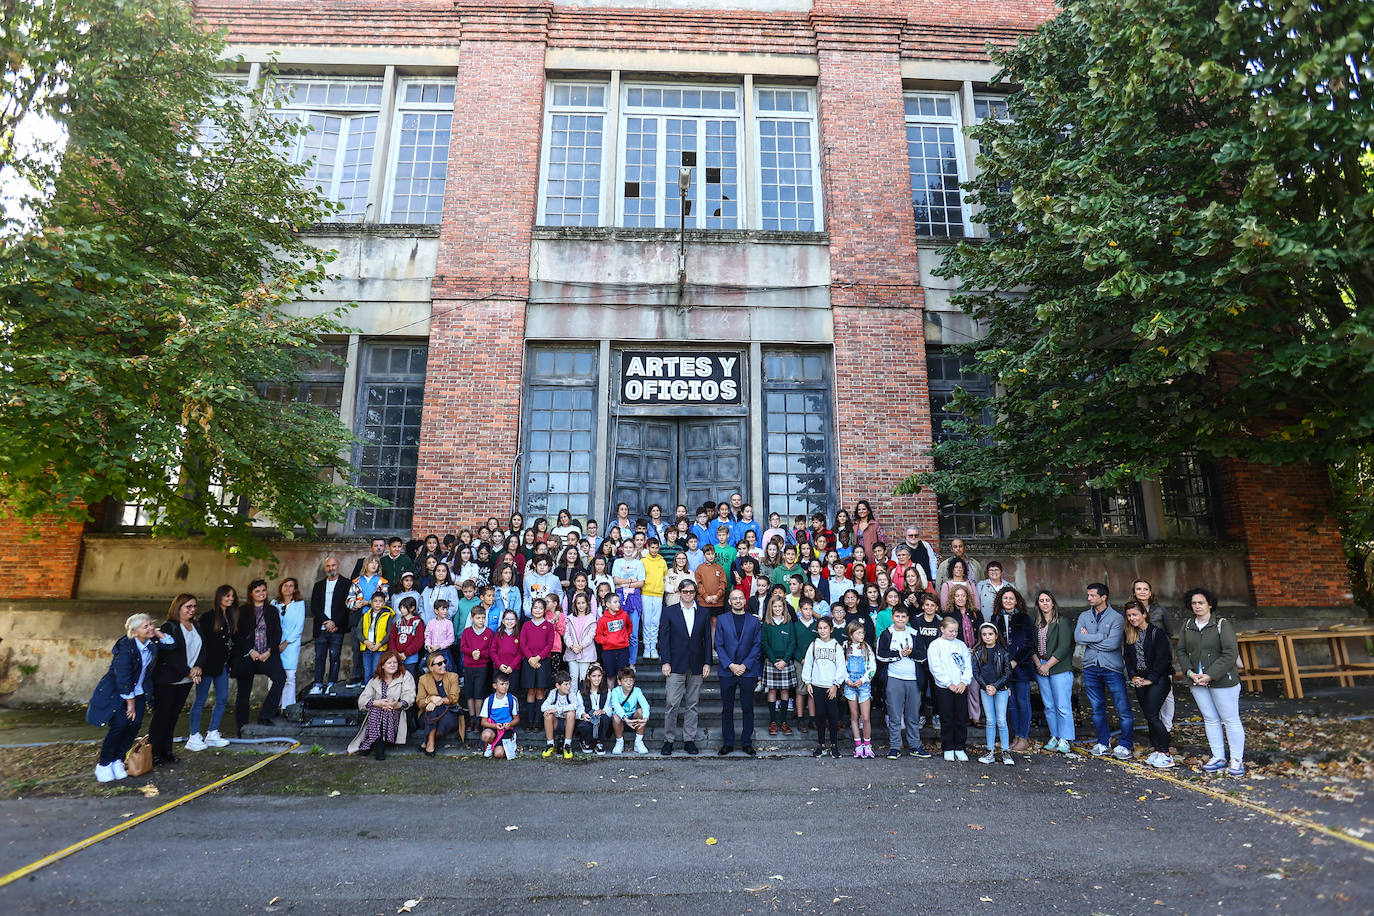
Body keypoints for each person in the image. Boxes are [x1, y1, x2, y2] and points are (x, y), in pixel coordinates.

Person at [87, 613, 175, 782]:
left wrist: (157, 633)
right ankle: (104, 764)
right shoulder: (126, 647)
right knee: (119, 725)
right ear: (134, 633)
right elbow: (123, 677)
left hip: (140, 692)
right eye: (145, 627)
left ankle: (118, 760)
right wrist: (131, 704)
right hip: (118, 693)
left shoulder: (151, 642)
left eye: (150, 624)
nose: (150, 628)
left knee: (134, 726)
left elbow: (171, 645)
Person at [1177, 587, 1245, 777]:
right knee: (1210, 719)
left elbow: (1230, 653)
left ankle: (1237, 760)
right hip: (1196, 680)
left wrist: (1211, 675)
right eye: (1193, 603)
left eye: (1200, 602)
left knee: (1230, 719)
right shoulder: (1188, 624)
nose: (1197, 606)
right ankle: (1218, 757)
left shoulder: (1222, 624)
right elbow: (1181, 651)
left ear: (1210, 604)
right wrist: (1190, 673)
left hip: (1222, 680)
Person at [1075, 582, 1134, 759]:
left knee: (1122, 707)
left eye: (1092, 595)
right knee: (1097, 708)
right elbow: (1078, 637)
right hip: (1091, 667)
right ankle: (1103, 742)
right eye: (1088, 595)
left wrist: (1089, 638)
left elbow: (1113, 644)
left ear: (1103, 597)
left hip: (1112, 668)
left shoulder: (1116, 618)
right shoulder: (1084, 615)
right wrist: (1101, 636)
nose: (1089, 598)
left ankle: (1125, 744)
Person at [657, 578, 711, 756]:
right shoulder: (669, 611)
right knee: (672, 703)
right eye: (685, 591)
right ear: (679, 592)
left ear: (695, 593)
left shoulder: (703, 612)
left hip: (696, 663)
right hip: (675, 664)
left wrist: (707, 662)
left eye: (691, 592)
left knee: (692, 704)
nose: (688, 595)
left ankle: (689, 739)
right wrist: (665, 661)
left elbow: (707, 640)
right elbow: (663, 639)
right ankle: (668, 740)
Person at [149, 594, 201, 767]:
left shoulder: (196, 626)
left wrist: (198, 667)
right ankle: (154, 753)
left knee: (173, 716)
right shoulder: (169, 627)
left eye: (194, 606)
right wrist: (188, 671)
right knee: (161, 717)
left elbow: (204, 649)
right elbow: (171, 655)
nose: (192, 610)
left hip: (186, 680)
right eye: (188, 606)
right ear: (178, 608)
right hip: (168, 679)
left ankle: (167, 751)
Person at [1123, 599, 1175, 769]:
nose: (1132, 618)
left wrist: (1150, 679)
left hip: (1158, 679)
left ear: (1144, 614)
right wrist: (1133, 677)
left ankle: (1166, 753)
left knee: (1153, 715)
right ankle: (1157, 750)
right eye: (1129, 615)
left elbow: (1163, 660)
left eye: (1135, 614)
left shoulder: (1156, 633)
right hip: (1140, 680)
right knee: (1149, 716)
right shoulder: (1129, 634)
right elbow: (1128, 660)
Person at [232, 579, 287, 732]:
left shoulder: (272, 610)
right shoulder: (242, 611)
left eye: (263, 590)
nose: (261, 593)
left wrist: (269, 651)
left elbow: (277, 633)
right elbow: (238, 635)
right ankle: (241, 726)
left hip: (267, 654)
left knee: (280, 677)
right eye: (257, 591)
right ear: (251, 593)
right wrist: (251, 651)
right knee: (244, 691)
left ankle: (265, 715)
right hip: (248, 656)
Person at [185, 585, 234, 751]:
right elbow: (201, 643)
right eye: (227, 596)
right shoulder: (208, 617)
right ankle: (194, 735)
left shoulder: (231, 616)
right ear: (219, 597)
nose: (230, 599)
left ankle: (212, 733)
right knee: (200, 700)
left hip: (222, 665)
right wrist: (198, 665)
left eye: (232, 596)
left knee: (222, 699)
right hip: (206, 666)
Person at [715, 587, 762, 756]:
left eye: (740, 598)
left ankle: (746, 743)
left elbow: (757, 645)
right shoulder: (722, 619)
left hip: (748, 671)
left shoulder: (754, 621)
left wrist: (744, 665)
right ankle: (728, 743)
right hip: (727, 671)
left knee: (747, 708)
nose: (737, 601)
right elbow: (718, 645)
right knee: (727, 708)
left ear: (745, 600)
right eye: (734, 598)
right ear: (729, 601)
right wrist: (731, 665)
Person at [877, 606, 928, 758]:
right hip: (894, 678)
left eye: (903, 617)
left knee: (913, 716)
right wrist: (899, 654)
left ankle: (915, 746)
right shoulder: (886, 634)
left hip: (913, 679)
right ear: (892, 617)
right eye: (897, 616)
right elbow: (880, 655)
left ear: (907, 619)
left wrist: (911, 653)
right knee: (894, 715)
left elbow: (923, 655)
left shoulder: (913, 633)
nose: (900, 619)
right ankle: (895, 747)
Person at [989, 586, 1035, 751]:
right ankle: (1015, 736)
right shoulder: (995, 618)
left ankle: (1023, 737)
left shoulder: (1024, 618)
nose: (1008, 601)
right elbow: (992, 641)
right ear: (1001, 600)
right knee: (1011, 703)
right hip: (1003, 669)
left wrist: (1015, 660)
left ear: (1016, 601)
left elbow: (1029, 643)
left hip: (1021, 667)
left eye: (1011, 598)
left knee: (1023, 701)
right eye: (1005, 598)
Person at [348, 650, 415, 760]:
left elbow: (410, 696)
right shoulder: (376, 679)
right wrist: (377, 703)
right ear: (382, 665)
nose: (393, 665)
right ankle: (379, 743)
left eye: (395, 662)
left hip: (399, 713)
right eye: (389, 663)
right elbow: (362, 700)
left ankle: (372, 743)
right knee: (377, 707)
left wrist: (398, 704)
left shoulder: (405, 676)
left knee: (386, 708)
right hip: (378, 716)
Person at [1032, 590, 1075, 754]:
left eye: (1047, 600)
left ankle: (1065, 738)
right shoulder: (1036, 623)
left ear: (1053, 602)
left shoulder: (1062, 621)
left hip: (1058, 667)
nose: (1044, 603)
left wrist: (1047, 666)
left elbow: (1064, 647)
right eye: (1041, 600)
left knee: (1062, 705)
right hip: (1041, 665)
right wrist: (1039, 665)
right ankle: (1055, 736)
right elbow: (1032, 646)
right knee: (1049, 705)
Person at [1132, 578, 1177, 730]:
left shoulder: (1160, 610)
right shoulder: (1130, 610)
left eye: (1145, 589)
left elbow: (1169, 632)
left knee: (1167, 693)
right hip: (1141, 659)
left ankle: (1167, 726)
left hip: (1160, 657)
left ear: (1150, 592)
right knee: (1148, 693)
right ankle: (1155, 726)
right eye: (1139, 589)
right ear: (1134, 592)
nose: (1142, 592)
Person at [928, 615, 973, 761]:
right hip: (944, 688)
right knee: (947, 718)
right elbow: (935, 667)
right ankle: (948, 747)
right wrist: (949, 684)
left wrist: (964, 682)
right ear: (942, 629)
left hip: (960, 687)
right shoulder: (935, 645)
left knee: (960, 718)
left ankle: (960, 747)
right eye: (950, 631)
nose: (953, 634)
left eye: (955, 631)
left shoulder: (961, 645)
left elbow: (967, 665)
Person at [801, 616, 844, 758]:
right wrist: (807, 682)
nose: (823, 630)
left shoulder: (836, 646)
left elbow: (841, 667)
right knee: (819, 715)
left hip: (831, 687)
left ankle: (834, 745)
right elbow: (808, 664)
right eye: (820, 628)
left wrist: (836, 684)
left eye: (825, 628)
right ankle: (821, 744)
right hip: (817, 686)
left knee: (832, 716)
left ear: (831, 629)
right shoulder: (814, 644)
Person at [973, 622, 1014, 766]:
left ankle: (1005, 751)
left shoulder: (1003, 652)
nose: (987, 637)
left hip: (1001, 690)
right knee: (990, 721)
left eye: (990, 634)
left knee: (1001, 720)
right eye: (984, 634)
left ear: (996, 636)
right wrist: (986, 686)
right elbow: (976, 673)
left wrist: (996, 687)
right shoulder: (978, 652)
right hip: (986, 690)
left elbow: (1007, 673)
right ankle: (990, 751)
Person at [308, 558, 350, 696]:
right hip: (321, 628)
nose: (331, 568)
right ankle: (318, 685)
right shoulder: (318, 585)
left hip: (336, 629)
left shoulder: (346, 584)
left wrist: (334, 623)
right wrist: (326, 621)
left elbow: (346, 607)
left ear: (338, 565)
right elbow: (314, 606)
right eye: (328, 566)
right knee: (319, 658)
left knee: (335, 657)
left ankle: (332, 684)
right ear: (325, 568)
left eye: (333, 565)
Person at [345, 556, 388, 687]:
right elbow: (349, 600)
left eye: (376, 563)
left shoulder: (382, 581)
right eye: (371, 563)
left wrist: (368, 602)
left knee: (374, 647)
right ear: (365, 565)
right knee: (357, 648)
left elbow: (385, 598)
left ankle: (373, 678)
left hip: (376, 618)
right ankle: (358, 676)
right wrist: (356, 604)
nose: (374, 565)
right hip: (359, 618)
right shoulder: (357, 581)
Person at [761, 595, 798, 736]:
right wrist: (773, 660)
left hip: (785, 662)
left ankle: (783, 721)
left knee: (784, 691)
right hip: (771, 661)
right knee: (772, 691)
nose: (777, 609)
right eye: (775, 606)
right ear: (771, 608)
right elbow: (764, 643)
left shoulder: (789, 623)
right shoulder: (767, 624)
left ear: (784, 608)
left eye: (780, 606)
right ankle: (773, 722)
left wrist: (785, 660)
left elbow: (792, 643)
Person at [416, 652, 463, 756]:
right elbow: (419, 702)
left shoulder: (453, 677)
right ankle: (430, 743)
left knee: (437, 711)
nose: (444, 665)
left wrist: (439, 701)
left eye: (444, 662)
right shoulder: (423, 679)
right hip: (427, 716)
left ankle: (428, 741)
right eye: (439, 663)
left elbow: (454, 698)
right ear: (431, 667)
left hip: (448, 713)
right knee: (432, 711)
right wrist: (430, 700)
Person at [843, 621, 877, 758]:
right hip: (850, 685)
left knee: (866, 717)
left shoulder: (867, 648)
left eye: (862, 632)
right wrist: (847, 679)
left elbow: (872, 667)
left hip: (863, 685)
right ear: (851, 635)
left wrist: (863, 680)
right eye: (858, 633)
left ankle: (867, 745)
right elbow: (841, 666)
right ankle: (858, 745)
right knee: (854, 716)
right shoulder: (845, 648)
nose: (861, 635)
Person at [273, 577, 306, 712]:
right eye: (285, 585)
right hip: (275, 644)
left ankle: (288, 707)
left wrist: (286, 643)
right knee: (274, 676)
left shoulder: (299, 604)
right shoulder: (274, 603)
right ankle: (274, 705)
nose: (288, 588)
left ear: (295, 589)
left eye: (291, 586)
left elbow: (299, 626)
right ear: (281, 587)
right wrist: (276, 643)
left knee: (289, 676)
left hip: (291, 644)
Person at [460, 605, 496, 724]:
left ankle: (478, 719)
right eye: (478, 618)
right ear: (472, 618)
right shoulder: (467, 632)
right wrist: (472, 652)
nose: (481, 620)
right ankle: (471, 718)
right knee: (469, 693)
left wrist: (480, 654)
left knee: (479, 693)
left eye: (483, 618)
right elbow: (463, 647)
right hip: (469, 666)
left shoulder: (489, 633)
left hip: (482, 667)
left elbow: (491, 650)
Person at [520, 597, 556, 716]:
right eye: (535, 607)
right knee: (530, 690)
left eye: (541, 608)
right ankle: (530, 721)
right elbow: (522, 643)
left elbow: (549, 644)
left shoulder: (549, 626)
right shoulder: (526, 625)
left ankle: (538, 721)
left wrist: (538, 658)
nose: (538, 610)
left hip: (543, 661)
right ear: (531, 609)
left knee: (540, 690)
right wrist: (531, 658)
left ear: (545, 610)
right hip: (528, 661)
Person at [541, 670, 584, 759]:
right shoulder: (553, 693)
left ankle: (567, 745)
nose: (569, 687)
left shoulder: (571, 693)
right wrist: (551, 710)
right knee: (547, 714)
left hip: (568, 723)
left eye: (569, 684)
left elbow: (575, 705)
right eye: (566, 684)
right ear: (558, 685)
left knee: (571, 713)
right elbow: (543, 707)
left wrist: (557, 709)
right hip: (555, 723)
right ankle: (550, 744)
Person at [609, 666, 650, 754]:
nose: (629, 683)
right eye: (626, 681)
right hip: (622, 719)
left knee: (641, 711)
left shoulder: (637, 691)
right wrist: (625, 718)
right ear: (619, 682)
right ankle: (619, 742)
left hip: (633, 720)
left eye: (631, 680)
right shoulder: (615, 691)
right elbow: (616, 706)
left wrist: (645, 718)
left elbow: (645, 704)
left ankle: (638, 742)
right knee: (615, 716)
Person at [479, 672, 520, 759]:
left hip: (505, 729)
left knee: (499, 754)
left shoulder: (512, 699)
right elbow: (483, 722)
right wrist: (495, 726)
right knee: (486, 735)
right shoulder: (489, 700)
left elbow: (517, 719)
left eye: (507, 684)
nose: (505, 686)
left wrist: (509, 724)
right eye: (502, 684)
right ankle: (490, 745)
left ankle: (508, 742)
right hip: (493, 728)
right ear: (495, 686)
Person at [356, 590, 394, 685]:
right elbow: (358, 631)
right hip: (366, 648)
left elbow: (389, 633)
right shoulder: (365, 615)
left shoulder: (387, 616)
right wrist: (366, 642)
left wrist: (379, 644)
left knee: (376, 670)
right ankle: (368, 694)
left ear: (384, 603)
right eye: (375, 601)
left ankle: (377, 693)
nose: (378, 604)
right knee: (367, 671)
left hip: (380, 648)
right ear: (371, 603)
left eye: (380, 601)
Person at [640, 537, 667, 661]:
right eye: (652, 547)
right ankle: (646, 646)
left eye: (656, 548)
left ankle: (653, 647)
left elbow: (665, 577)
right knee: (646, 621)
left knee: (655, 622)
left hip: (658, 594)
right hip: (646, 593)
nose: (654, 550)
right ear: (648, 548)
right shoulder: (643, 561)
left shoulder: (662, 561)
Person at [563, 592, 599, 687]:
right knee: (573, 677)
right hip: (572, 651)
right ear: (575, 604)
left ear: (587, 603)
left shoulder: (591, 618)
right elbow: (566, 634)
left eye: (583, 603)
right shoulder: (570, 618)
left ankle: (583, 699)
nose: (581, 605)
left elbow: (591, 635)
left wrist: (581, 646)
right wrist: (571, 646)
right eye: (578, 603)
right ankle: (573, 699)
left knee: (583, 678)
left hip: (585, 652)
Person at [594, 592, 633, 677]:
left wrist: (625, 637)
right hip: (608, 651)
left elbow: (629, 626)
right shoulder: (602, 620)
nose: (618, 604)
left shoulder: (624, 615)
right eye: (615, 602)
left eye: (619, 602)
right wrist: (608, 641)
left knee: (623, 676)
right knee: (610, 676)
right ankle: (610, 690)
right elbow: (598, 637)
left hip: (623, 649)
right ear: (607, 604)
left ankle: (621, 691)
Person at [577, 664, 612, 755]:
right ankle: (586, 741)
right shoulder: (581, 692)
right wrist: (583, 714)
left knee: (604, 718)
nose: (597, 679)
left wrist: (602, 711)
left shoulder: (607, 691)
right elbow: (579, 707)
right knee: (585, 724)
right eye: (594, 676)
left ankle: (599, 743)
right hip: (588, 717)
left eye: (599, 676)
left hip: (600, 718)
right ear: (588, 677)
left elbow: (609, 707)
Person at [388, 596, 426, 678]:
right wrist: (395, 653)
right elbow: (392, 638)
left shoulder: (417, 622)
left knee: (409, 678)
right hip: (397, 657)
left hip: (411, 657)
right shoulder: (398, 622)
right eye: (400, 607)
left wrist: (406, 653)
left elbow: (419, 640)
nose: (402, 610)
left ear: (412, 608)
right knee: (398, 678)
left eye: (404, 607)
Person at [424, 599, 457, 672]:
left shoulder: (448, 623)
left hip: (444, 651)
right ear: (436, 611)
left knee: (447, 668)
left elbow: (450, 639)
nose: (445, 611)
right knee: (425, 667)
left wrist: (439, 646)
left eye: (446, 609)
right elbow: (427, 635)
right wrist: (428, 645)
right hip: (432, 651)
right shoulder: (431, 623)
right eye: (443, 609)